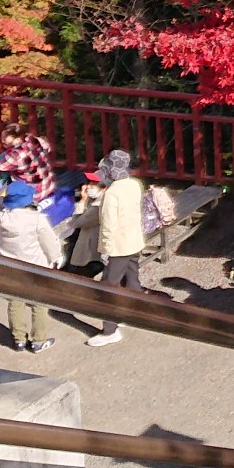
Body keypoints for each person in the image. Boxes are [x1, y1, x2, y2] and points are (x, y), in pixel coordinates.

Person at [87, 149, 150, 347]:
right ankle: (136, 313)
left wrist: (104, 248)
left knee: (108, 286)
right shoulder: (135, 184)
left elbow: (108, 225)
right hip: (134, 239)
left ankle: (109, 330)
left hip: (118, 245)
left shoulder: (111, 193)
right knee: (132, 277)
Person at [0, 180, 63, 352]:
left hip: (11, 268)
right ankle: (39, 340)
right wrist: (56, 256)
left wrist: (3, 197)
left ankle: (19, 339)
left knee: (15, 302)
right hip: (35, 267)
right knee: (39, 303)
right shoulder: (37, 219)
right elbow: (49, 241)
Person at [0, 122, 55, 197]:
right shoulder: (35, 139)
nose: (2, 141)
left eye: (5, 139)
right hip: (49, 184)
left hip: (34, 193)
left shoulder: (16, 155)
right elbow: (48, 148)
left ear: (17, 139)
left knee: (0, 175)